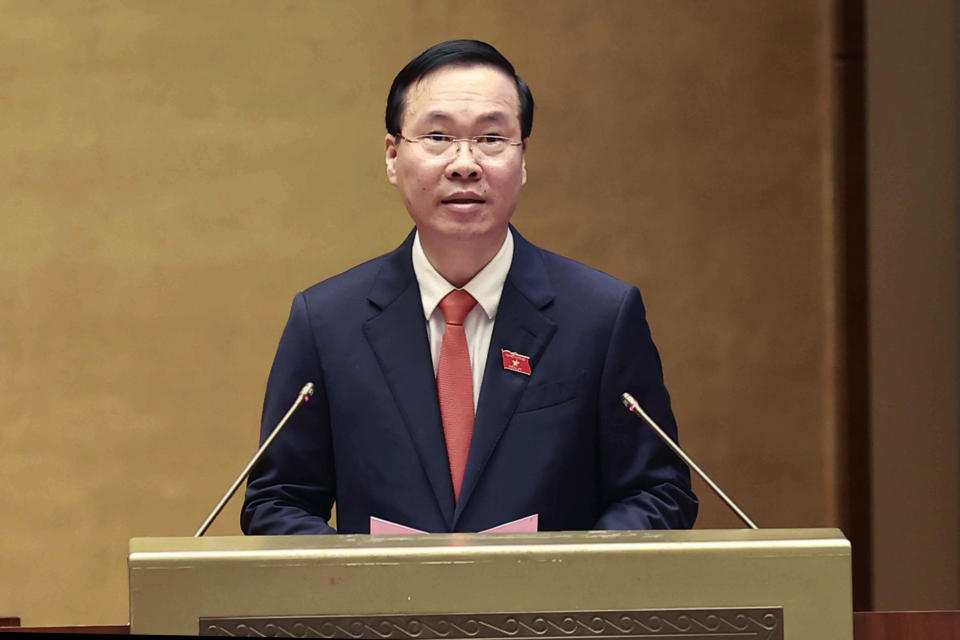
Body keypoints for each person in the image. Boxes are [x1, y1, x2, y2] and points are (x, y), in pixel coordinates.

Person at [241, 40, 697, 535]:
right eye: (437, 136)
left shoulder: (601, 316)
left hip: (551, 611)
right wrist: (356, 587)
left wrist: (569, 575)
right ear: (393, 156)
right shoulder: (327, 321)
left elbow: (658, 491)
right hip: (380, 611)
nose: (464, 163)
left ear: (522, 160)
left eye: (491, 139)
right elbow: (277, 500)